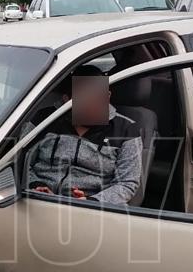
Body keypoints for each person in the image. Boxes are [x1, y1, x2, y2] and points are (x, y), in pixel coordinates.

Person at [25, 65, 142, 205]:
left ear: (107, 96)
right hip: (36, 200)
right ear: (67, 100)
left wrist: (91, 201)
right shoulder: (44, 120)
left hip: (94, 207)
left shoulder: (126, 130)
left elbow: (126, 183)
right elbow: (17, 161)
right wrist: (35, 185)